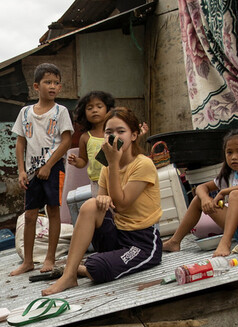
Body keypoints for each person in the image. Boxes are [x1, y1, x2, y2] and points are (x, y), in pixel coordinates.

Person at [43, 107, 162, 296]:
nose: (114, 137)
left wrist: (113, 163)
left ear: (134, 135)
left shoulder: (143, 164)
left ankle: (81, 267)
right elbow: (104, 200)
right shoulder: (107, 166)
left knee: (96, 268)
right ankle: (69, 274)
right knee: (91, 205)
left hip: (141, 243)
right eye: (109, 132)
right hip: (116, 234)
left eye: (121, 131)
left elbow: (121, 205)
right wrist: (102, 196)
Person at [162, 128, 238, 257]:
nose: (234, 157)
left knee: (236, 194)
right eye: (229, 153)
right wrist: (205, 199)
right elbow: (201, 187)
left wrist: (224, 192)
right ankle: (175, 241)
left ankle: (225, 242)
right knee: (198, 199)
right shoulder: (230, 175)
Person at [9, 64, 73, 277]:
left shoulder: (60, 111)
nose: (52, 86)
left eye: (56, 83)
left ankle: (50, 258)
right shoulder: (25, 113)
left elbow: (66, 141)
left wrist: (48, 166)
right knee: (29, 215)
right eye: (48, 82)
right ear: (37, 86)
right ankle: (27, 261)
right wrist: (21, 170)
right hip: (32, 171)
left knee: (53, 211)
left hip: (53, 170)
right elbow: (20, 143)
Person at [67, 90, 116, 198]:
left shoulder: (114, 133)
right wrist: (76, 161)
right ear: (84, 113)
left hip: (116, 178)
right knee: (101, 209)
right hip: (96, 182)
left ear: (108, 110)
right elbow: (83, 161)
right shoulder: (85, 137)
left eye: (99, 106)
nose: (94, 110)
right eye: (90, 108)